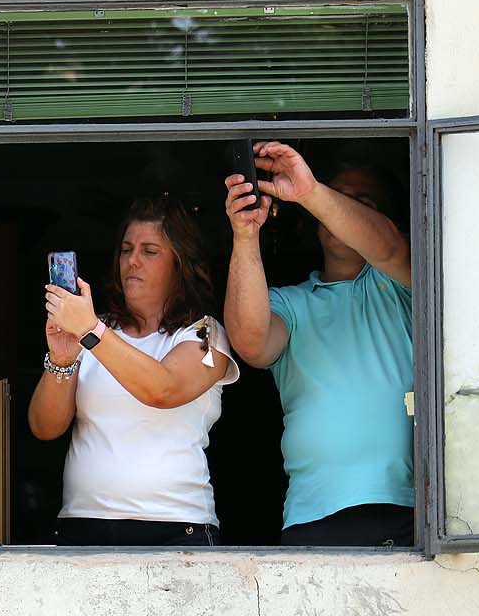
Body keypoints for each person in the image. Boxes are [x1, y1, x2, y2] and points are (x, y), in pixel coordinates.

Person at [222, 142, 414, 546]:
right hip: (310, 512)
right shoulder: (291, 304)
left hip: (398, 507)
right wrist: (245, 235)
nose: (340, 208)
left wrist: (312, 192)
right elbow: (251, 344)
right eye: (337, 197)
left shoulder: (404, 283)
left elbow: (389, 247)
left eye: (361, 202)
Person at [29, 195, 240, 546]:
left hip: (176, 528)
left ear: (180, 264)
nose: (132, 261)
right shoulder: (93, 331)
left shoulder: (205, 333)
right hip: (84, 524)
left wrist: (91, 331)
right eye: (126, 250)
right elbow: (44, 427)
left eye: (149, 251)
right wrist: (62, 359)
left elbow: (163, 390)